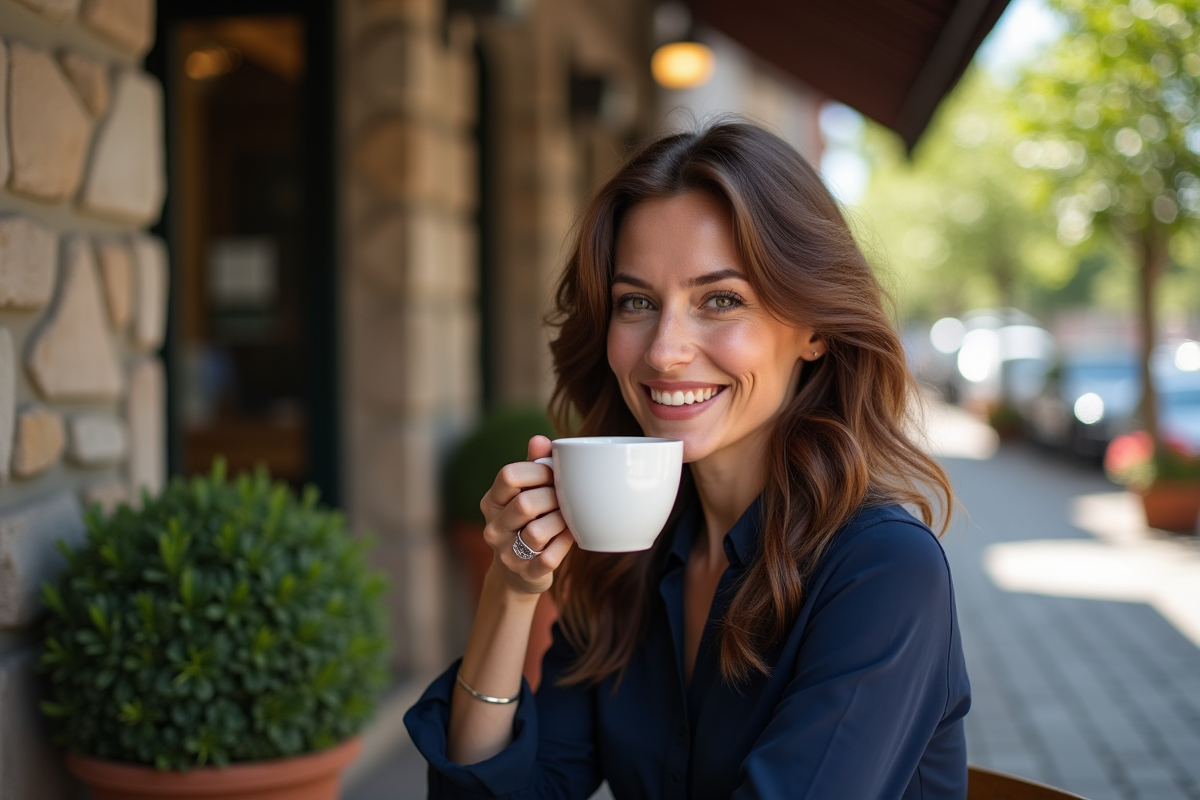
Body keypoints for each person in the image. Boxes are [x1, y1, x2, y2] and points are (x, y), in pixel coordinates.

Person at [405, 120, 971, 799]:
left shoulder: (883, 572)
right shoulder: (628, 555)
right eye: (637, 302)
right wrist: (513, 587)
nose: (665, 350)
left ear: (815, 328)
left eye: (721, 300)